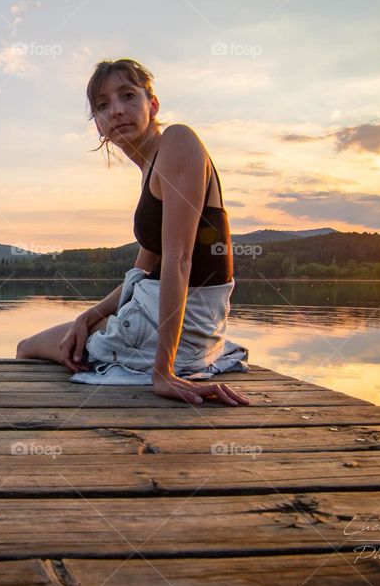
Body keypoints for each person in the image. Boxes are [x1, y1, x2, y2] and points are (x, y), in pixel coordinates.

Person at [15, 58, 251, 407]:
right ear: (97, 123)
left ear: (152, 105)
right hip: (170, 325)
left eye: (127, 96)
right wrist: (88, 316)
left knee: (26, 348)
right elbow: (139, 274)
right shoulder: (151, 169)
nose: (116, 111)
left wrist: (164, 371)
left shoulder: (177, 141)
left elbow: (180, 260)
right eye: (102, 105)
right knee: (62, 339)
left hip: (171, 334)